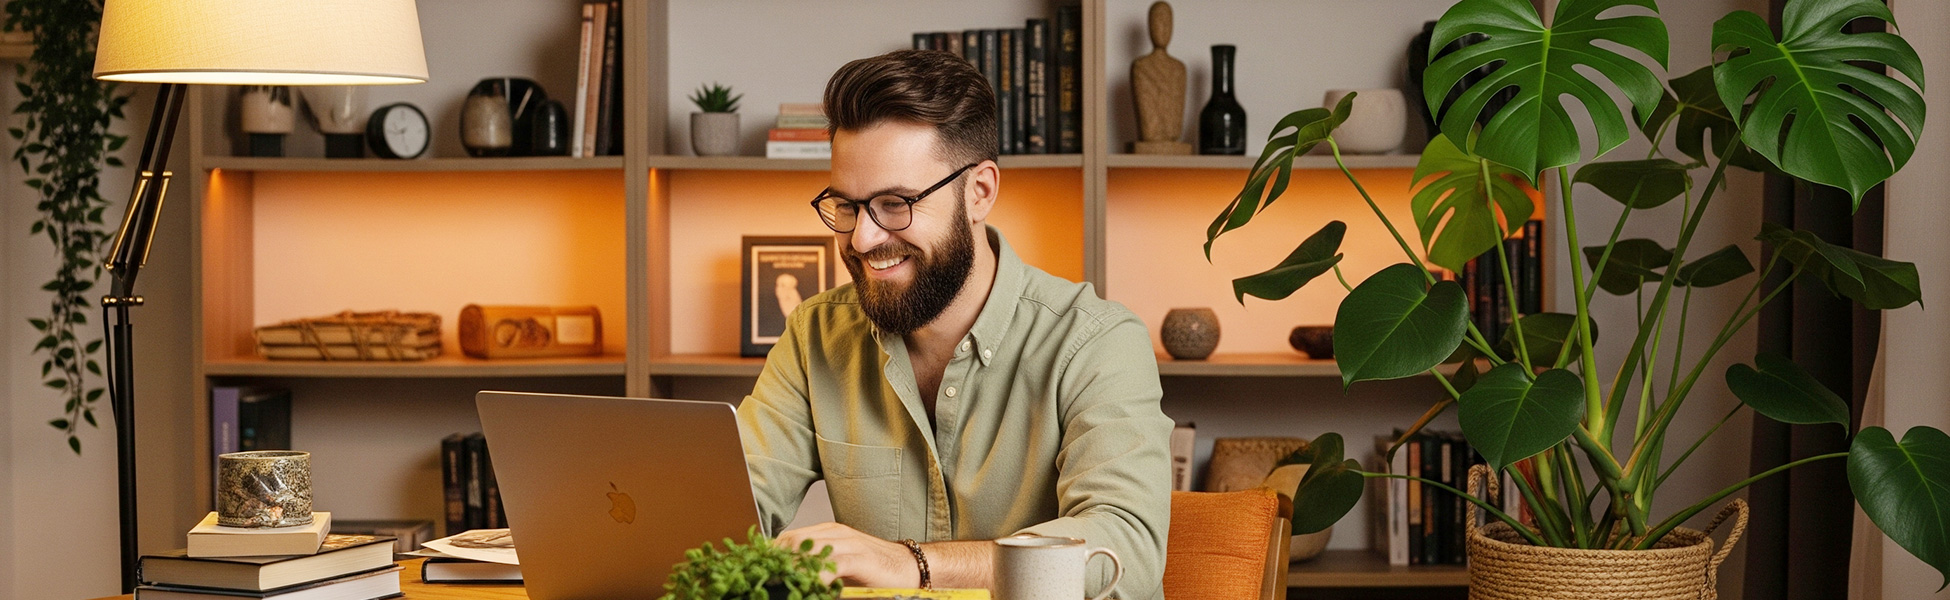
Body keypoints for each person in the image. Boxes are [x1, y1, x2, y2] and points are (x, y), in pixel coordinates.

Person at [734, 50, 1172, 600]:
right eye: (847, 206)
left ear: (980, 192)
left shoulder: (1097, 342)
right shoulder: (813, 335)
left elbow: (1124, 550)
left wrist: (910, 564)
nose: (863, 240)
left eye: (895, 204)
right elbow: (728, 512)